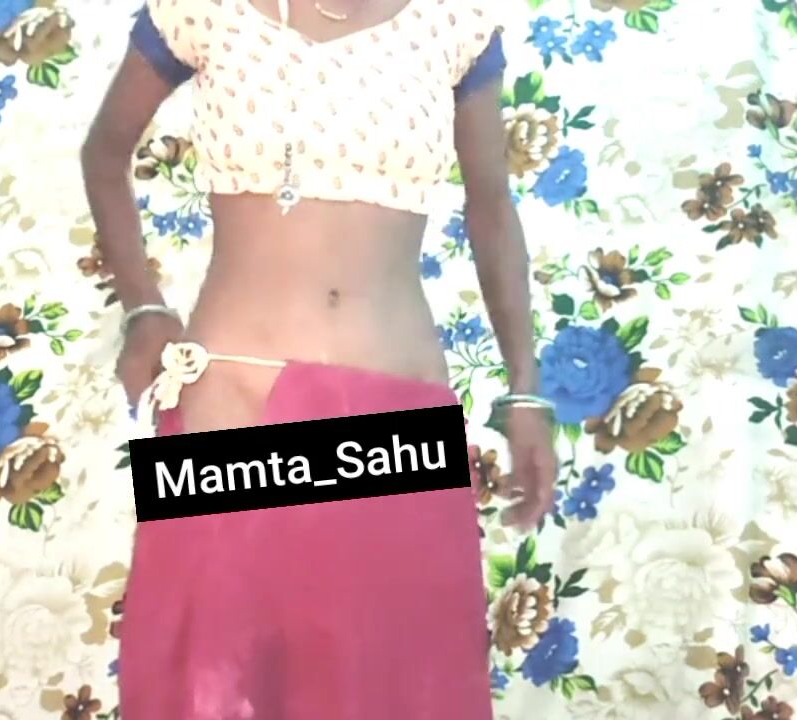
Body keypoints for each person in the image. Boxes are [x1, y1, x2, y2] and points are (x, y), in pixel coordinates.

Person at [81, 1, 558, 717]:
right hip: (234, 405)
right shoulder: (204, 10)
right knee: (211, 685)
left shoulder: (455, 21)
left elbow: (491, 206)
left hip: (395, 426)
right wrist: (144, 308)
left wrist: (525, 388)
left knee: (397, 689)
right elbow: (104, 153)